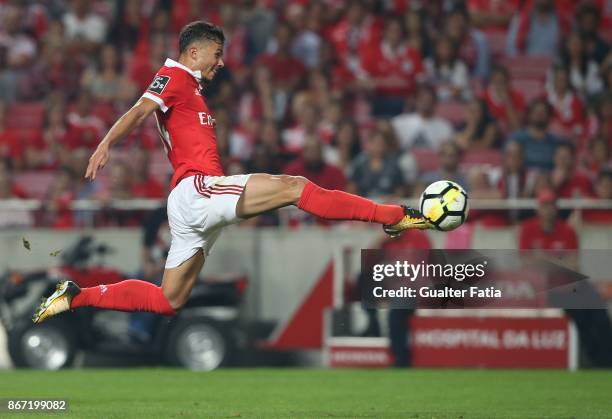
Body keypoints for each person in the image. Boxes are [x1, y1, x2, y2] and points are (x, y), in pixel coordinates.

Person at [33, 21, 433, 323]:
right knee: (295, 187)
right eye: (216, 53)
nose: (221, 62)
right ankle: (392, 216)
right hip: (196, 191)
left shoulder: (191, 88)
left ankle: (76, 295)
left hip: (192, 204)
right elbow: (140, 110)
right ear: (194, 53)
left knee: (168, 300)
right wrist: (105, 144)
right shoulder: (174, 76)